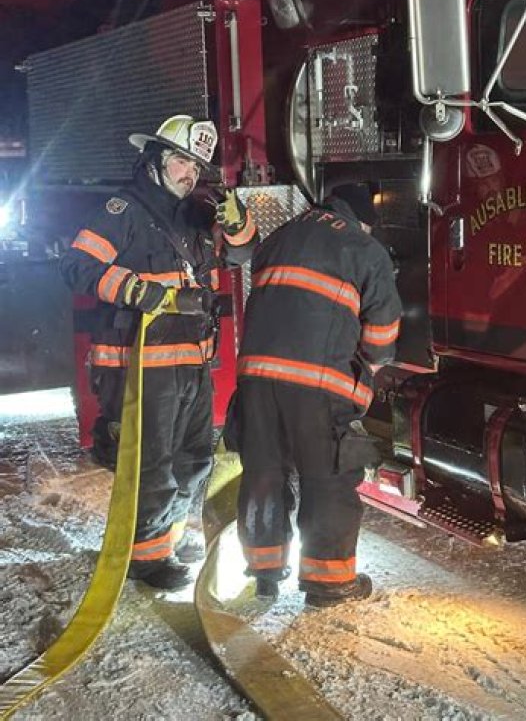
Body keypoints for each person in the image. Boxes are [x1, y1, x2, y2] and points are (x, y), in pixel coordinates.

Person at [60, 114, 257, 589]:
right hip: (140, 365)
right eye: (181, 161)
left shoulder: (194, 215)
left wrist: (238, 222)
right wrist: (136, 290)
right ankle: (146, 558)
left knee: (194, 459)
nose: (190, 174)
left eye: (196, 167)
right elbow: (76, 266)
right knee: (152, 464)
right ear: (154, 159)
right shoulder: (124, 211)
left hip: (191, 362)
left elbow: (241, 254)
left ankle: (169, 536)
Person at [224, 182, 402, 607]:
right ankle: (328, 583)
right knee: (327, 478)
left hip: (255, 379)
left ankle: (265, 572)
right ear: (363, 221)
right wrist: (369, 367)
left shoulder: (280, 236)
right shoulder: (364, 248)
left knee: (263, 473)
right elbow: (381, 336)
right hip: (316, 384)